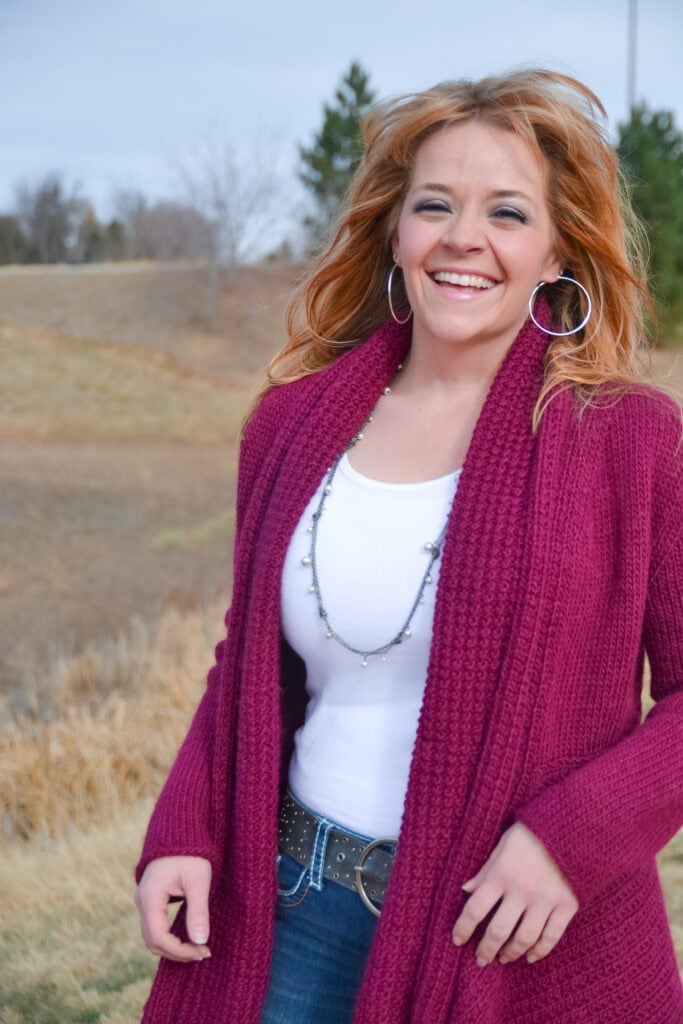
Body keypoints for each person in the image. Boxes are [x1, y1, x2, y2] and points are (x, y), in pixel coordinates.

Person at [134, 68, 683, 1024]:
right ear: (397, 231)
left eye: (507, 212)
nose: (463, 238)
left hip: (512, 933)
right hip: (284, 906)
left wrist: (572, 840)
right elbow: (248, 661)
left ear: (559, 250)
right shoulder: (290, 423)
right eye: (435, 204)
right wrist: (189, 825)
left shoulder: (631, 442)